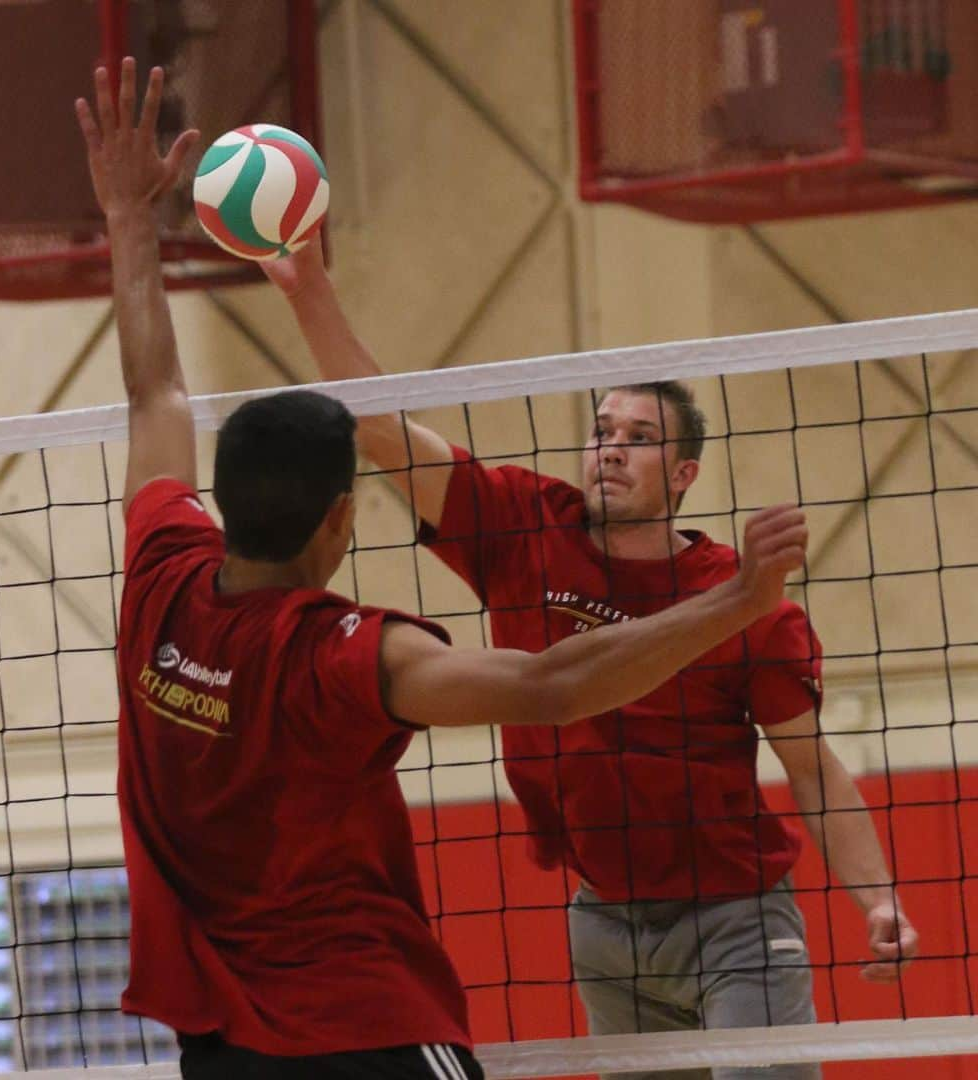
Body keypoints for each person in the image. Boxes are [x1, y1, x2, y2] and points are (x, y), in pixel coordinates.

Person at [76, 60, 812, 1080]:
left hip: (220, 1043)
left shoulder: (159, 571)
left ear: (217, 500)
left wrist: (125, 217)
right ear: (340, 523)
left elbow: (153, 384)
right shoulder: (345, 657)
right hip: (364, 1023)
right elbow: (553, 685)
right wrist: (740, 601)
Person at [260, 240, 920, 1080]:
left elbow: (813, 770)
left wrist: (878, 899)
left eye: (637, 439)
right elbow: (384, 429)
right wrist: (309, 288)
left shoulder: (746, 599)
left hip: (735, 920)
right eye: (602, 431)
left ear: (682, 474)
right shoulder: (523, 529)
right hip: (605, 921)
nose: (609, 448)